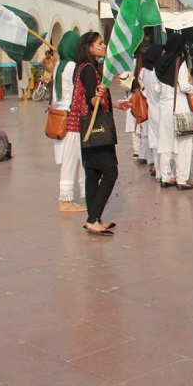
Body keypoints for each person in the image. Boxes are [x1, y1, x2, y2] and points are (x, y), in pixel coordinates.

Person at [73, 31, 117, 235]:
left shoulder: (81, 68)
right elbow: (92, 100)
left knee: (92, 174)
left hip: (85, 129)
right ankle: (93, 218)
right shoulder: (90, 70)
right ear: (90, 47)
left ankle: (94, 217)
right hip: (96, 128)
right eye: (100, 43)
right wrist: (98, 94)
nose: (104, 45)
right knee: (110, 172)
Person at [154, 32, 193, 190]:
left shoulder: (159, 64)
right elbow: (184, 86)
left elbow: (156, 88)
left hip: (164, 108)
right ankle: (181, 179)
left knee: (165, 143)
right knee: (183, 144)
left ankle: (166, 177)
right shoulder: (180, 62)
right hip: (179, 106)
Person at [53, 31, 86, 213]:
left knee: (73, 156)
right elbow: (77, 91)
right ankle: (65, 199)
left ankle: (81, 191)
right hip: (71, 116)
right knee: (71, 157)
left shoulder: (59, 64)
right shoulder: (72, 66)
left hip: (60, 115)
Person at [142, 44, 163, 179]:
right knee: (163, 142)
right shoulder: (156, 71)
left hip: (151, 109)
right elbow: (158, 89)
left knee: (154, 142)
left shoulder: (145, 72)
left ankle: (158, 173)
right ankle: (163, 171)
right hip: (160, 109)